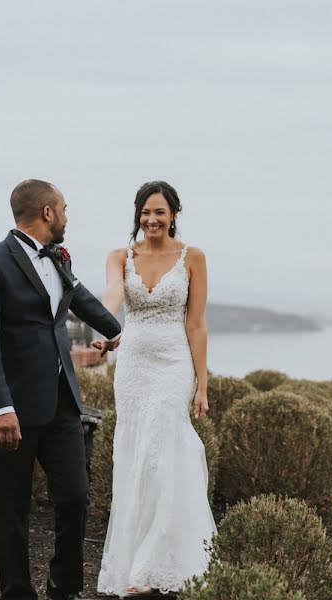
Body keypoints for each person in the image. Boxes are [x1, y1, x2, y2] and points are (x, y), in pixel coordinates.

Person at [0, 179, 121, 600]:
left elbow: (78, 298)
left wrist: (116, 330)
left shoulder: (57, 259)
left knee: (75, 497)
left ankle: (64, 588)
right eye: (65, 209)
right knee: (13, 513)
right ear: (47, 213)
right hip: (10, 409)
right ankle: (17, 594)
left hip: (62, 402)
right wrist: (0, 407)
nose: (68, 217)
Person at [95, 180, 217, 597]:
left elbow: (196, 324)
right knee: (134, 455)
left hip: (173, 364)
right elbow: (113, 294)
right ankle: (136, 561)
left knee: (162, 453)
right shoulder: (119, 256)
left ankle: (153, 566)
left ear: (173, 215)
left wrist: (202, 384)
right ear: (137, 215)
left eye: (160, 212)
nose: (152, 220)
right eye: (146, 212)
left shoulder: (193, 257)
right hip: (132, 366)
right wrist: (103, 325)